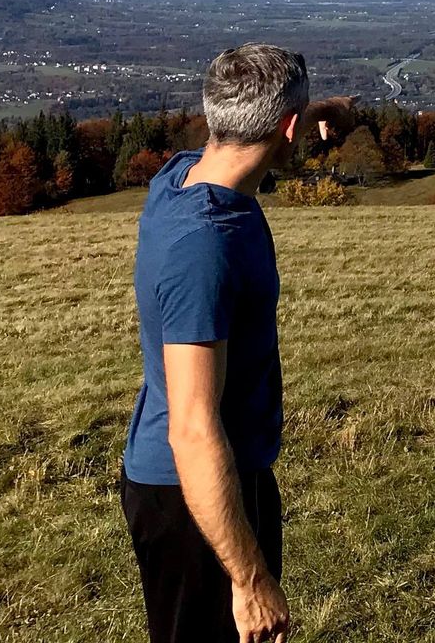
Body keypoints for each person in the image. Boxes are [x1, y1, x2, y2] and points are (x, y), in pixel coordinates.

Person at [121, 44, 311, 643]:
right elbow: (193, 427)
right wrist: (250, 579)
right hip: (194, 494)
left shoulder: (183, 173)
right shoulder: (203, 248)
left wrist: (315, 114)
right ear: (288, 128)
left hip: (223, 475)